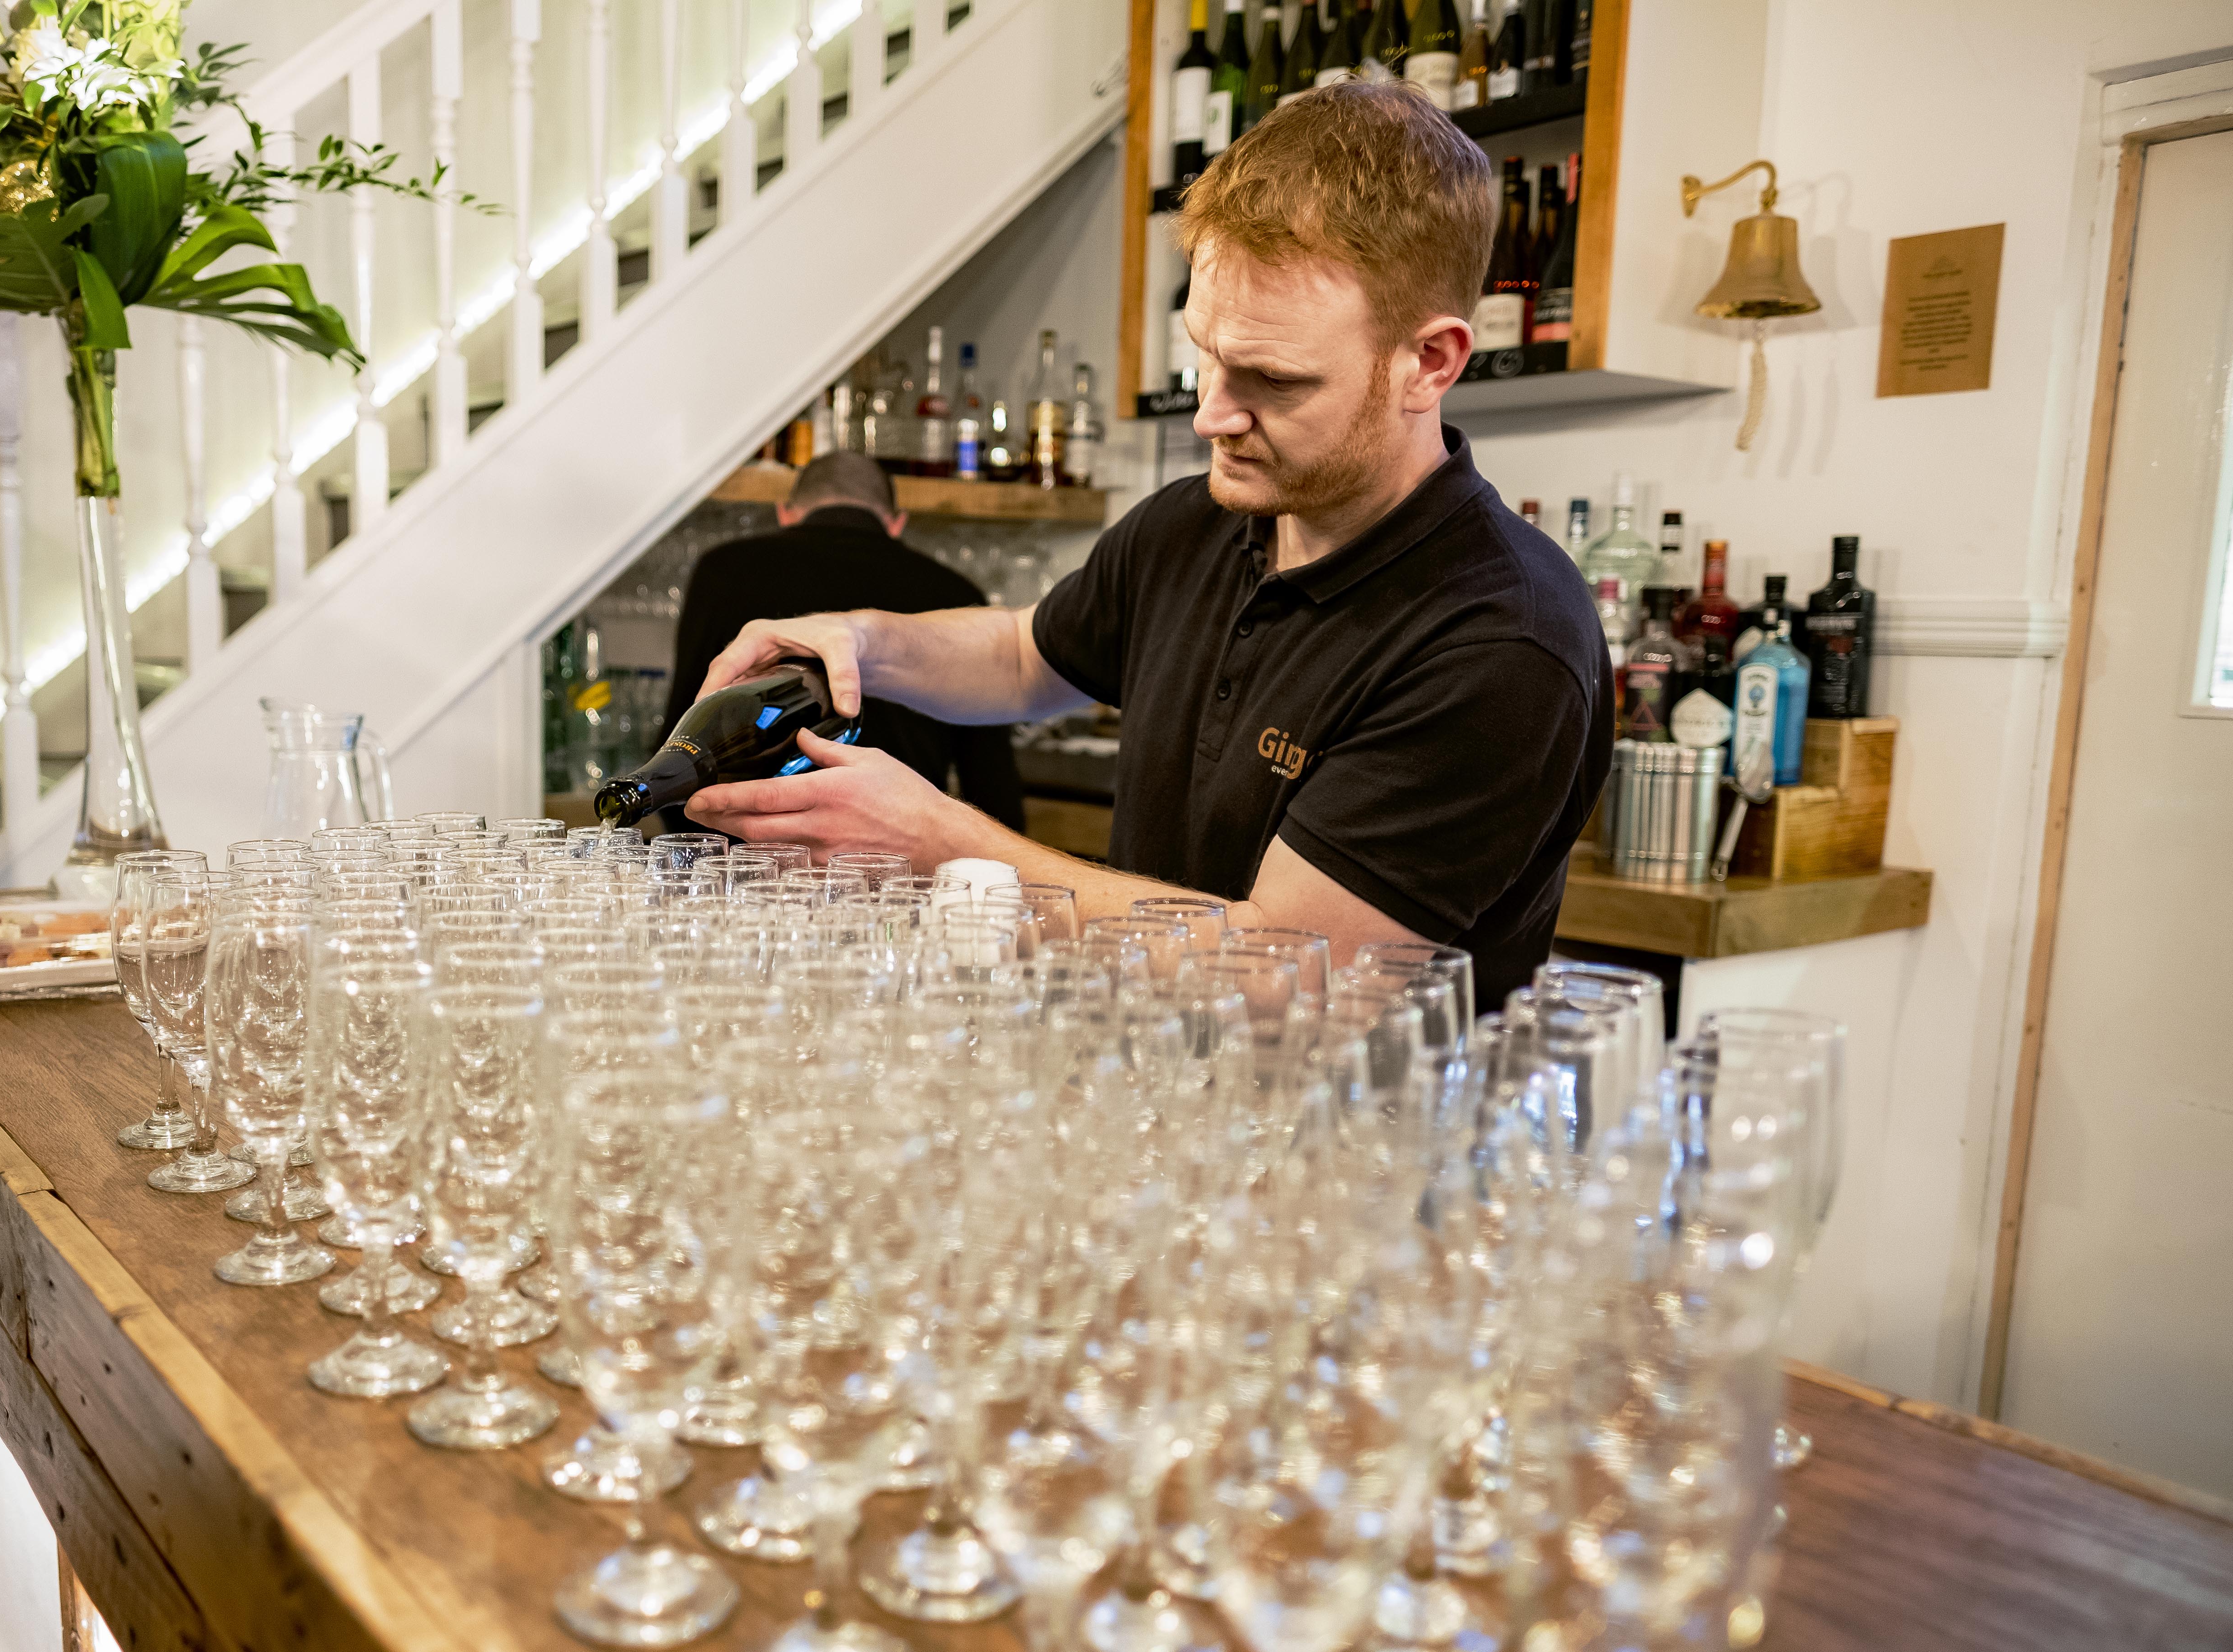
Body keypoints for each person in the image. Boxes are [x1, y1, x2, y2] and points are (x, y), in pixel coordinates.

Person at [686, 83, 1609, 1004]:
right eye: (1205, 354)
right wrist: (864, 642)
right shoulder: (1198, 521)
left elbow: (1294, 977)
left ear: (1430, 362)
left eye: (1272, 379)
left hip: (1357, 1104)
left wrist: (940, 844)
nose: (1211, 415)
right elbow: (1023, 658)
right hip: (1143, 1082)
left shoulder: (1501, 639)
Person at [660, 451, 1026, 835]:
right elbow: (990, 775)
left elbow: (681, 737)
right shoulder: (957, 593)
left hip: (751, 848)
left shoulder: (724, 571)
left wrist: (704, 851)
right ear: (897, 523)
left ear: (786, 514)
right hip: (899, 846)